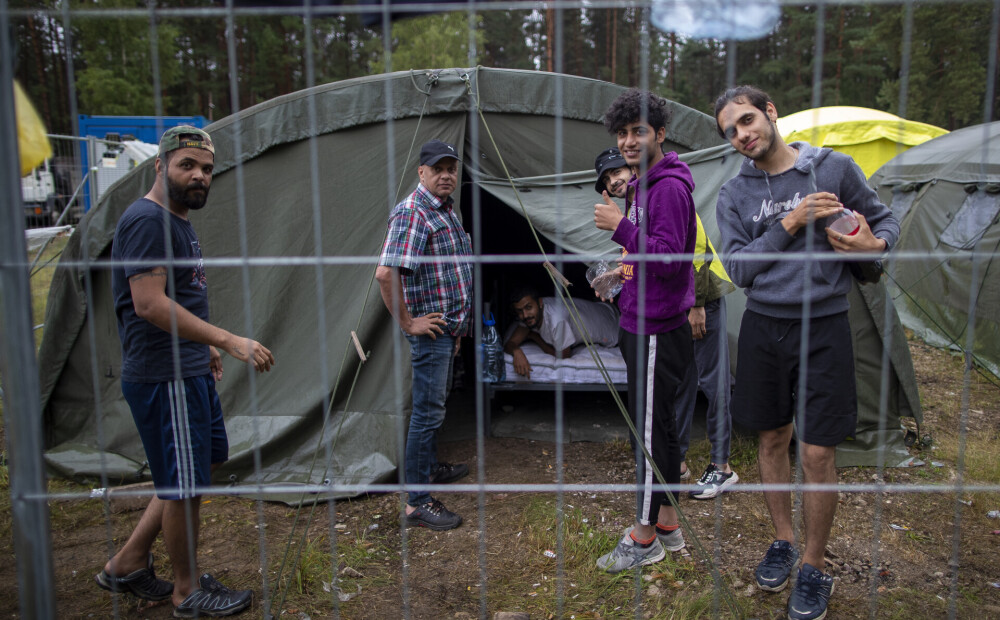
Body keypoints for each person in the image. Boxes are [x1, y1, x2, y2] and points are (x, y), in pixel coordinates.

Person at [714, 85, 898, 620]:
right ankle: (784, 540)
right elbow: (741, 270)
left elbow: (885, 221)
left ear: (770, 113)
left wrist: (875, 246)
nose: (743, 134)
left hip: (825, 325)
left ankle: (814, 567)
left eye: (747, 120)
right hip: (764, 325)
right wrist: (791, 223)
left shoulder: (833, 169)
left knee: (817, 452)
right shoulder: (733, 195)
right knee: (772, 438)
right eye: (731, 131)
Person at [100, 126, 275, 618]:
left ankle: (128, 562)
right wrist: (228, 340)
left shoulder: (177, 220)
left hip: (188, 366)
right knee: (184, 485)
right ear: (160, 166)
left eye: (206, 169)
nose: (199, 176)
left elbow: (182, 295)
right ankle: (185, 591)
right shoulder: (147, 221)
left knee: (201, 467)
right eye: (187, 166)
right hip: (164, 376)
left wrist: (204, 350)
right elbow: (150, 304)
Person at [591, 90, 696, 573]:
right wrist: (621, 274)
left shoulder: (669, 188)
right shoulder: (639, 186)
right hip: (640, 316)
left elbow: (673, 262)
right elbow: (650, 254)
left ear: (659, 133)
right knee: (664, 428)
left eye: (638, 131)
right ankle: (670, 524)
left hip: (655, 328)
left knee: (649, 435)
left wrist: (620, 228)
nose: (629, 141)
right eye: (623, 132)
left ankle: (643, 537)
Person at [596, 147, 739, 500]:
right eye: (606, 180)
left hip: (701, 300)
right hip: (678, 307)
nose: (614, 181)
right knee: (680, 386)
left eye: (617, 171)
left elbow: (694, 249)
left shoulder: (666, 193)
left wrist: (699, 305)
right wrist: (619, 273)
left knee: (713, 379)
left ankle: (722, 466)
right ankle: (678, 464)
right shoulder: (636, 202)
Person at [376, 139, 473, 531]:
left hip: (448, 329)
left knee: (436, 407)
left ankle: (430, 469)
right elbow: (386, 272)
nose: (447, 175)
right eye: (438, 169)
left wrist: (460, 325)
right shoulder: (414, 212)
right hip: (430, 333)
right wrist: (408, 322)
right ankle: (416, 502)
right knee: (427, 413)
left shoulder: (445, 210)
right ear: (421, 172)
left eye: (452, 168)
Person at [503, 287, 620, 378]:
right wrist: (517, 352)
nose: (525, 315)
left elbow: (563, 356)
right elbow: (511, 343)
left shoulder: (557, 320)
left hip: (614, 328)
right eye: (519, 311)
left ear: (540, 303)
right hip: (604, 307)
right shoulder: (531, 315)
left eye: (528, 308)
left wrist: (535, 337)